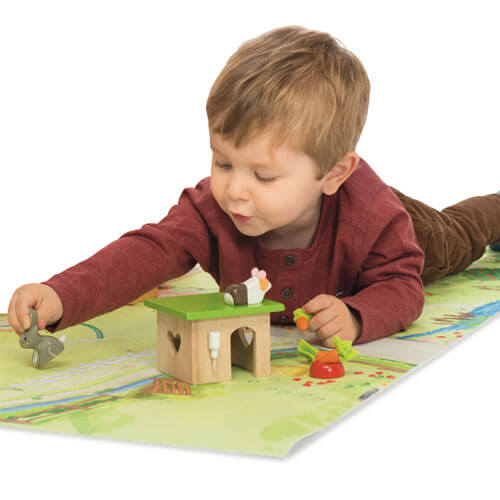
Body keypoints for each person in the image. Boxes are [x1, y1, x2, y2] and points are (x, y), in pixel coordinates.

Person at [7, 26, 500, 346]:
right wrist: (61, 293)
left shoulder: (374, 217)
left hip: (414, 228)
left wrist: (355, 315)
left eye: (263, 176)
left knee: (459, 234)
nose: (235, 191)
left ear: (333, 173)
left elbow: (402, 287)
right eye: (223, 162)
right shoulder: (214, 208)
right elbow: (147, 252)